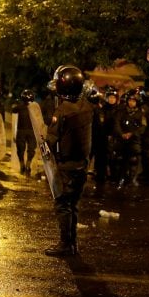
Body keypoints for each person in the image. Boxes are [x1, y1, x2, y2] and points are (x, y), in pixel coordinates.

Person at [44, 65, 93, 257]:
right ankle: (73, 244)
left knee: (63, 204)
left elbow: (51, 140)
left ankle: (65, 244)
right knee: (74, 205)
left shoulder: (63, 111)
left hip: (66, 166)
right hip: (81, 164)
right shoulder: (87, 107)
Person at [113, 88, 146, 188]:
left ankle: (132, 179)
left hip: (134, 141)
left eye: (133, 101)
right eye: (130, 101)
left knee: (134, 160)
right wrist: (122, 134)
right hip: (122, 140)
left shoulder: (140, 113)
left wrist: (132, 133)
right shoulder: (121, 112)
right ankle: (120, 178)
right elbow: (117, 123)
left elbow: (143, 127)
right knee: (120, 160)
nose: (131, 103)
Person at [11, 89, 37, 175]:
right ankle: (27, 164)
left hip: (22, 131)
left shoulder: (19, 107)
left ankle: (23, 164)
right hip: (31, 131)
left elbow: (13, 110)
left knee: (21, 149)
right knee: (31, 149)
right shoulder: (35, 107)